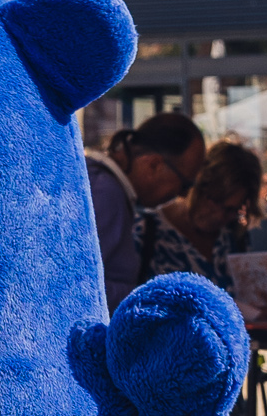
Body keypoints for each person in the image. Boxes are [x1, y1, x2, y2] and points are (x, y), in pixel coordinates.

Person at [86, 111, 205, 310]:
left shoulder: (104, 185)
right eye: (184, 185)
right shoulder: (106, 193)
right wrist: (149, 298)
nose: (182, 196)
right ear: (154, 164)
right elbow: (76, 284)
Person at [137, 139, 264, 292]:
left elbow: (247, 295)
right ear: (196, 186)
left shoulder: (234, 236)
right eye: (215, 200)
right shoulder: (148, 231)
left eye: (232, 209)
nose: (219, 216)